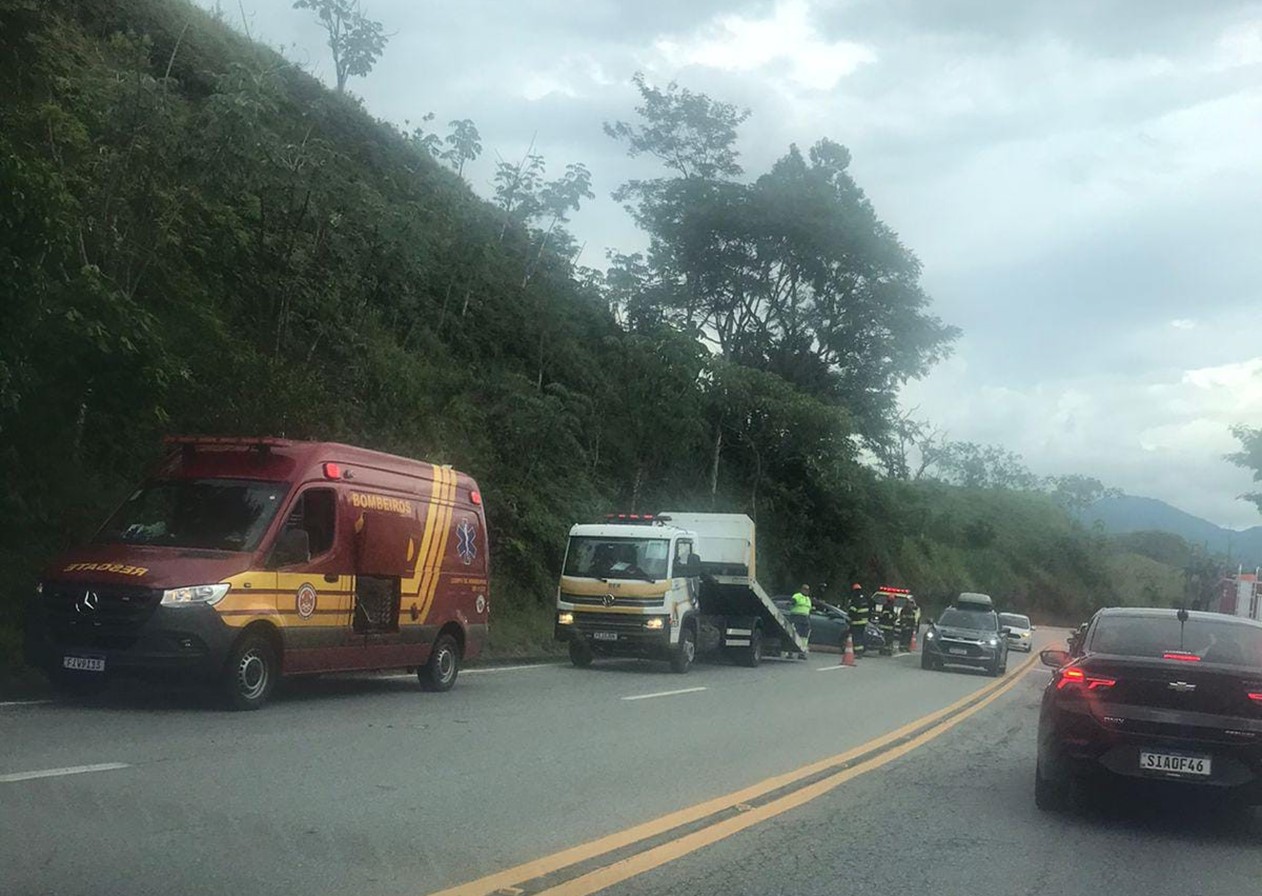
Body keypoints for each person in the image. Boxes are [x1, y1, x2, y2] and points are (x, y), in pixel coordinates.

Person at [789, 584, 812, 659]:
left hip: (805, 619)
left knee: (804, 637)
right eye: (805, 589)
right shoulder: (797, 596)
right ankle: (790, 652)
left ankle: (801, 653)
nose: (806, 591)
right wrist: (793, 602)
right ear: (801, 589)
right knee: (794, 634)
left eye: (807, 590)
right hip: (796, 617)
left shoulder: (808, 599)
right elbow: (793, 601)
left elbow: (809, 609)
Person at [847, 583, 869, 658]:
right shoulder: (864, 599)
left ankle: (858, 653)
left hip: (856, 622)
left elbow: (852, 611)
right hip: (863, 622)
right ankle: (860, 652)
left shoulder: (855, 599)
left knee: (856, 637)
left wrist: (849, 616)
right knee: (860, 637)